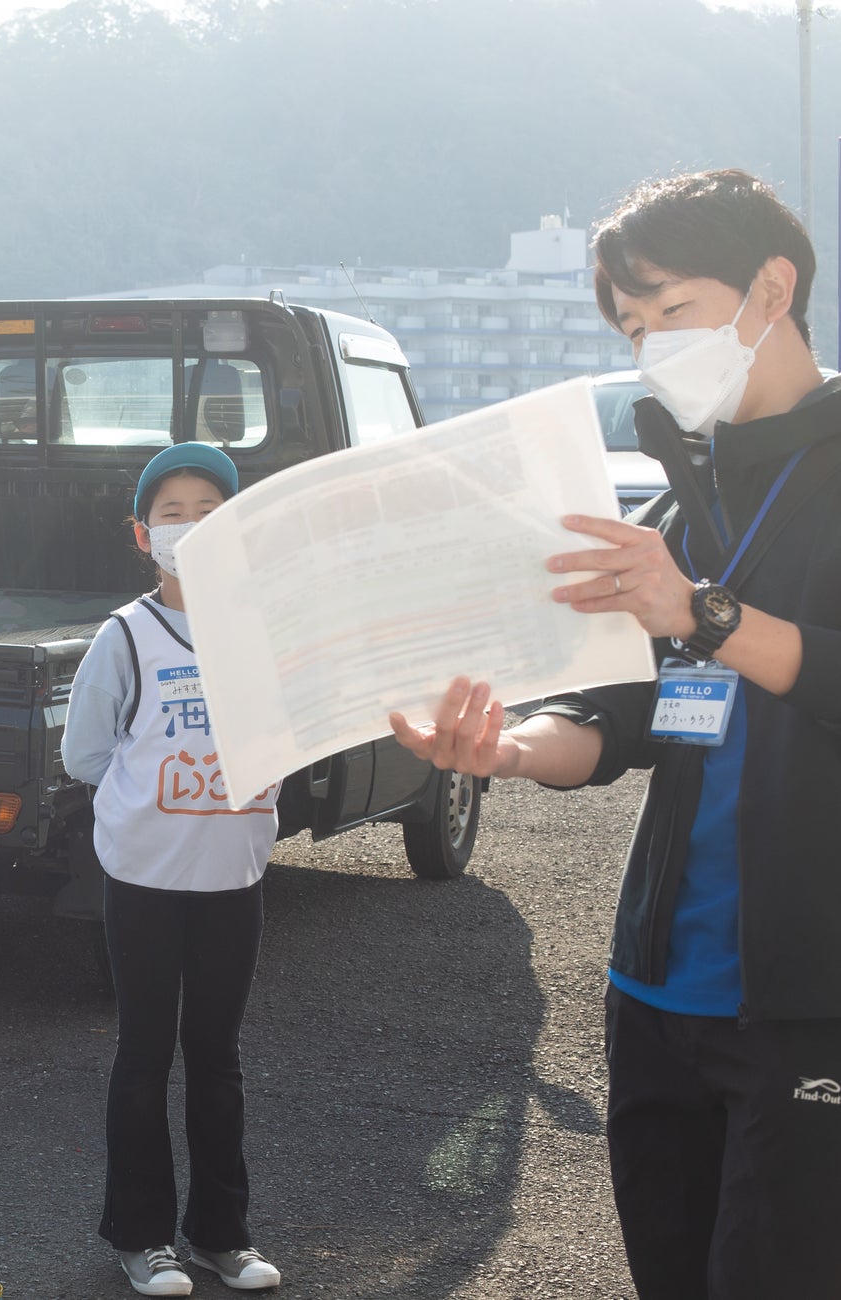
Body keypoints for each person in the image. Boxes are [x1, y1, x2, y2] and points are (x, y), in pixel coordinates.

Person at [390, 169, 841, 1299]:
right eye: (633, 329)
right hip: (659, 994)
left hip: (811, 1002)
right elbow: (612, 717)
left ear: (772, 288)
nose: (653, 348)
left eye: (673, 310)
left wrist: (706, 613)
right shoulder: (680, 504)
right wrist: (506, 747)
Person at [62, 442, 284, 1295]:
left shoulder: (261, 630)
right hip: (146, 878)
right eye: (172, 513)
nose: (189, 527)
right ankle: (141, 1237)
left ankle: (223, 1236)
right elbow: (86, 754)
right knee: (145, 1052)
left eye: (209, 512)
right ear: (142, 533)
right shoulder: (126, 635)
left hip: (233, 876)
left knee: (217, 1055)